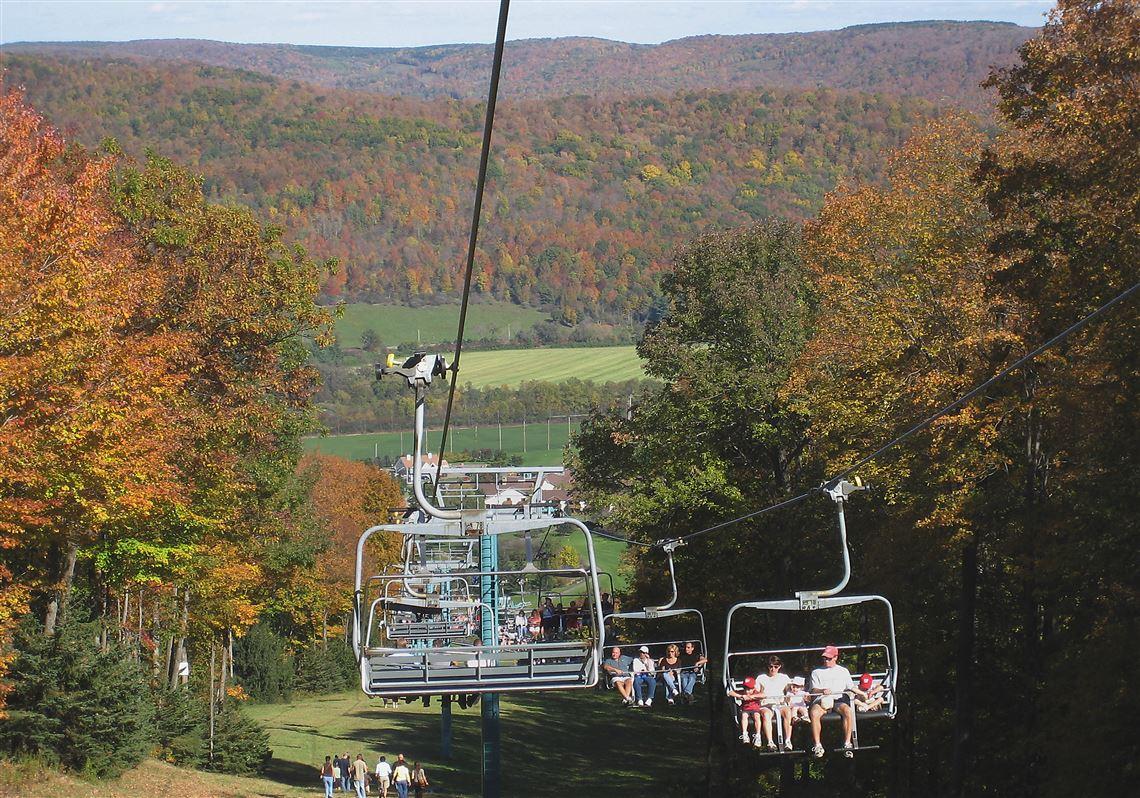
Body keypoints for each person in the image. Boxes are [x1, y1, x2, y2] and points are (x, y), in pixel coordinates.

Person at [808, 645, 871, 758]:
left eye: (829, 658)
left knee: (848, 711)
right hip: (822, 699)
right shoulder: (816, 672)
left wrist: (862, 693)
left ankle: (847, 743)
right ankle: (817, 745)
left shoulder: (843, 671)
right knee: (814, 713)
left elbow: (851, 686)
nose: (826, 660)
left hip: (838, 699)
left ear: (835, 657)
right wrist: (822, 690)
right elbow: (813, 689)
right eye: (825, 658)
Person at [756, 655, 792, 751]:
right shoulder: (761, 678)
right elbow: (756, 692)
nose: (773, 669)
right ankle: (770, 742)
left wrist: (789, 695)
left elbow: (790, 690)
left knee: (788, 712)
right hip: (766, 703)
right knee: (766, 715)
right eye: (771, 666)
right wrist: (761, 693)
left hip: (779, 703)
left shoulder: (784, 677)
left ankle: (788, 741)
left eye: (776, 666)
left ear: (779, 666)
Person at [728, 675, 764, 746]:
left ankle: (758, 735)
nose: (747, 691)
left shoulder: (756, 692)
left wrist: (753, 696)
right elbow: (730, 693)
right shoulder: (743, 693)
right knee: (744, 716)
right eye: (745, 689)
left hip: (755, 709)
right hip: (746, 709)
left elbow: (763, 695)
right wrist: (741, 696)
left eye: (749, 689)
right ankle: (744, 734)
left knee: (757, 716)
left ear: (753, 688)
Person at [785, 675, 810, 744]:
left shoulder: (803, 693)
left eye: (797, 687)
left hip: (801, 705)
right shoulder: (789, 693)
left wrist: (807, 698)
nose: (795, 689)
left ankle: (806, 717)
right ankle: (794, 718)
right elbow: (787, 700)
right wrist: (788, 698)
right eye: (793, 687)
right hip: (793, 706)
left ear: (801, 688)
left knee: (804, 709)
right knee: (794, 708)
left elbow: (807, 700)